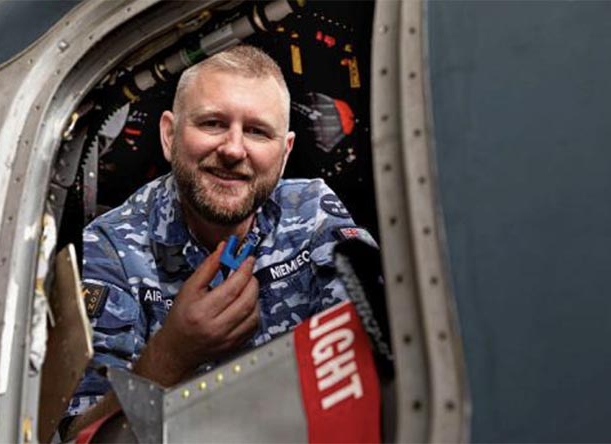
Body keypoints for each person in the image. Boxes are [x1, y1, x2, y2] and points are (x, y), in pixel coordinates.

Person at [61, 45, 376, 439]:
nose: (232, 149)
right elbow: (76, 434)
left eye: (258, 131)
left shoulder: (311, 211)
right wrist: (173, 353)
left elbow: (375, 349)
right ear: (169, 134)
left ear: (284, 153)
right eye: (212, 123)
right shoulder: (110, 249)